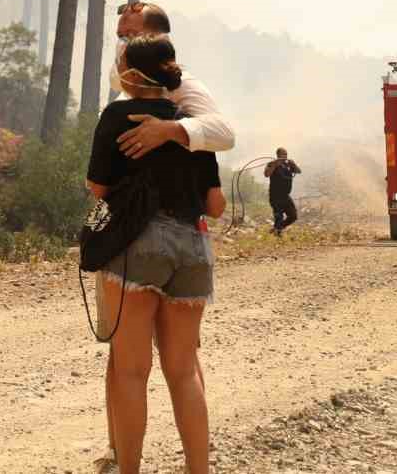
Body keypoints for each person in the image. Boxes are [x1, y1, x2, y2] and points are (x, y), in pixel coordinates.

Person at [88, 34, 225, 474]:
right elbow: (216, 205)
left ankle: (129, 469)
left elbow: (97, 188)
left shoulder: (115, 116)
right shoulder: (190, 124)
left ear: (130, 74)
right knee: (183, 371)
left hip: (137, 245)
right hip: (192, 247)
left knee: (131, 371)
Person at [112, 2, 235, 160]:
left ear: (158, 39)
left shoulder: (182, 84)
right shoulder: (127, 93)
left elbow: (225, 134)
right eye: (120, 36)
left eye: (131, 35)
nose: (122, 44)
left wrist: (168, 130)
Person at [264, 148, 301, 235]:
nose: (285, 156)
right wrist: (274, 165)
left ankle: (277, 229)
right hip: (275, 196)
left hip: (285, 196)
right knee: (278, 217)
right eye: (283, 155)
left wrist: (294, 164)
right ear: (278, 155)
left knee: (293, 216)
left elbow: (299, 171)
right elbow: (266, 174)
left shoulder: (288, 165)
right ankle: (277, 233)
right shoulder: (271, 164)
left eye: (286, 154)